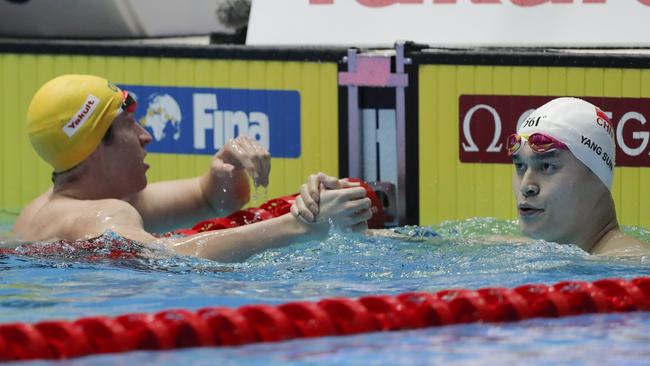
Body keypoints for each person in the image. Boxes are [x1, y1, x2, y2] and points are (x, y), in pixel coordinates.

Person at [12, 74, 374, 262]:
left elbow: (209, 199)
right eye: (130, 126)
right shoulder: (102, 215)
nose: (146, 136)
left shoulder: (49, 208)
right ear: (93, 148)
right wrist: (299, 227)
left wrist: (223, 170)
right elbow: (169, 260)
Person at [296, 97, 650, 257]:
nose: (527, 183)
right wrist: (344, 218)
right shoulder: (531, 249)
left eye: (548, 166)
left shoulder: (632, 265)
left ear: (598, 177)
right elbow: (428, 246)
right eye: (520, 165)